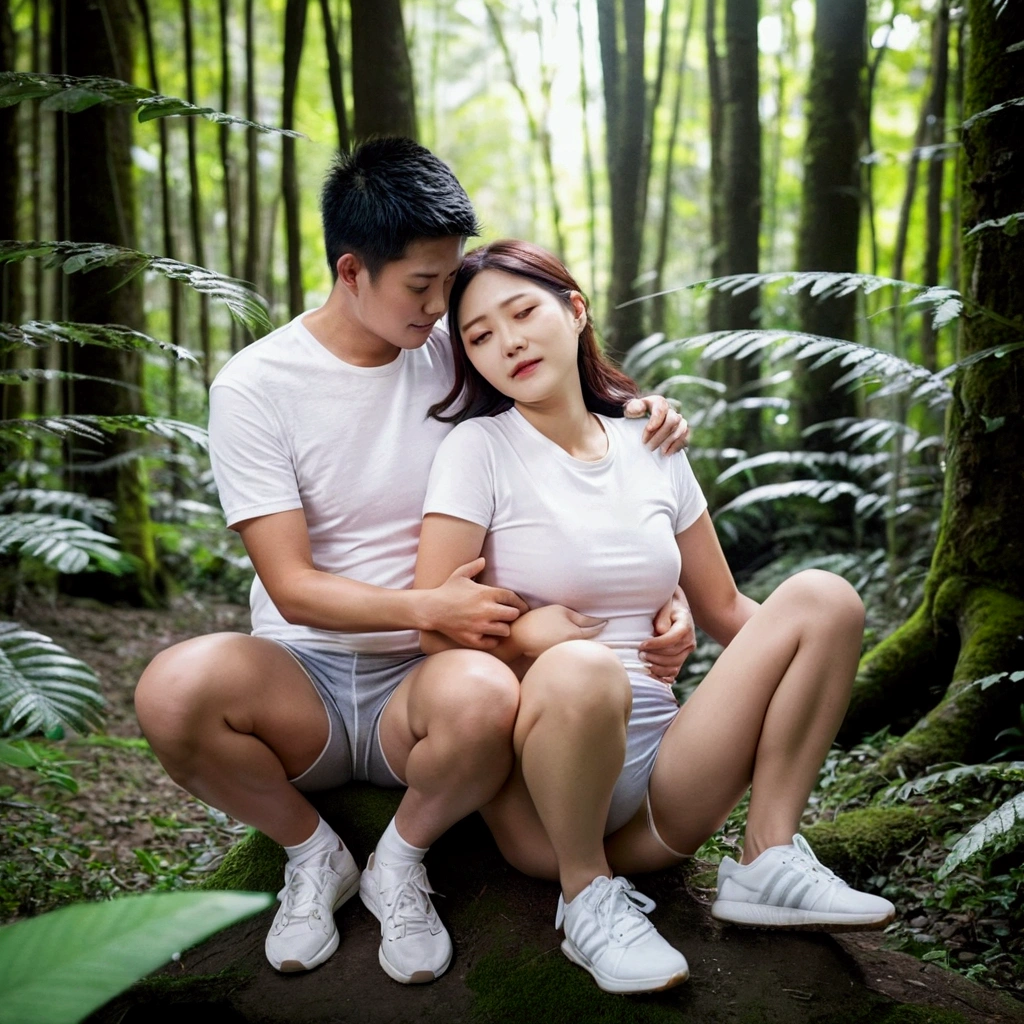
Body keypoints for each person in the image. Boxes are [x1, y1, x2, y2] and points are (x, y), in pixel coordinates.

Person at [133, 139, 692, 985]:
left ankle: (398, 861)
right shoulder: (256, 385)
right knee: (172, 690)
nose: (441, 307)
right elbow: (291, 585)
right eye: (421, 286)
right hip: (301, 672)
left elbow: (571, 421)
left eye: (449, 279)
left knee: (484, 690)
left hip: (429, 681)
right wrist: (431, 609)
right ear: (351, 271)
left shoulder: (452, 346)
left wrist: (651, 425)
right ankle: (315, 855)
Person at [414, 239, 896, 996]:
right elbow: (432, 627)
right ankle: (586, 900)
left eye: (522, 312)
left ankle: (767, 857)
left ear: (574, 310)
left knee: (824, 597)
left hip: (665, 790)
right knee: (581, 665)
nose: (506, 342)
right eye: (477, 337)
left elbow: (728, 609)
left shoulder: (651, 442)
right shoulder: (477, 450)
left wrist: (811, 669)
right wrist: (527, 634)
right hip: (547, 803)